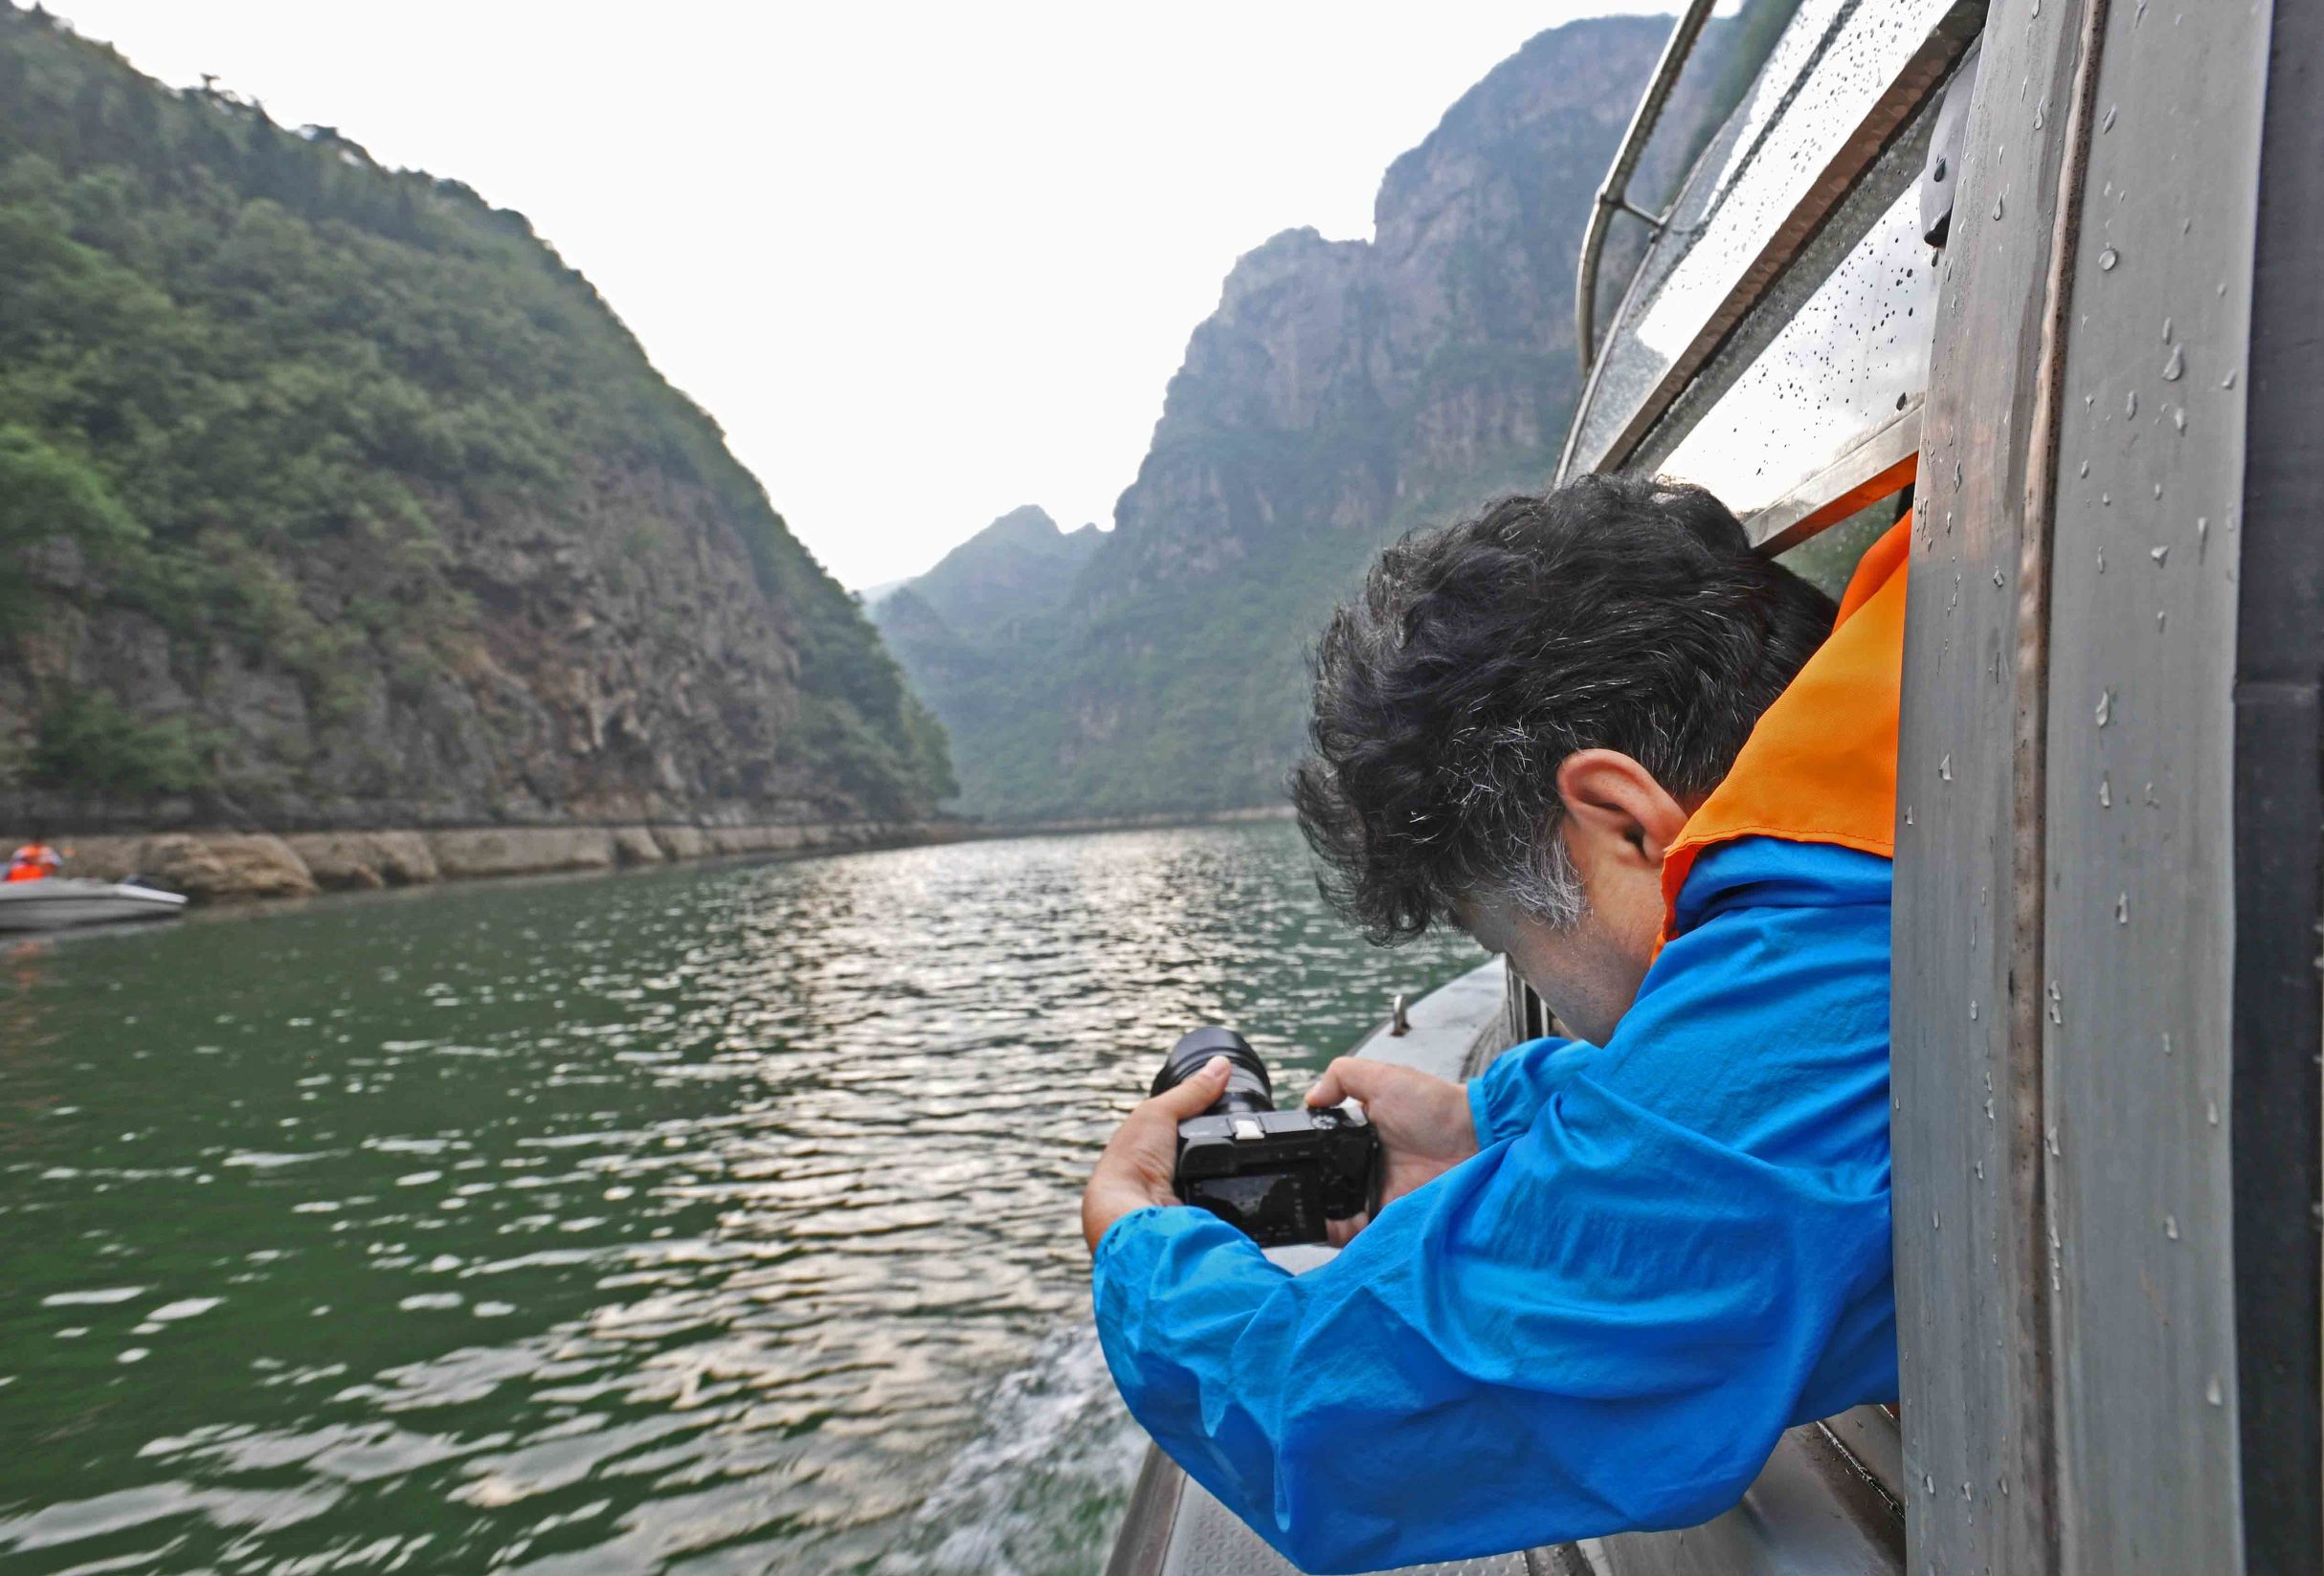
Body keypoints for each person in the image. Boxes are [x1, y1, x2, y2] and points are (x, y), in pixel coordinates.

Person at [1082, 474, 1908, 1571]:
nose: (1541, 989)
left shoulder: (1817, 963)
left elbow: (1330, 1424)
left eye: (1517, 949)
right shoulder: (1902, 793)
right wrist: (1491, 1126)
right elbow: (1766, 1119)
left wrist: (1131, 1238)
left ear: (1624, 824)